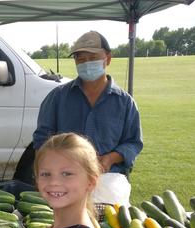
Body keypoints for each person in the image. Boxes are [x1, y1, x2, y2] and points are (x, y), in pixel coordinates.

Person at [33, 31, 143, 176]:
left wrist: (110, 159)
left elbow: (133, 142)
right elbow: (42, 139)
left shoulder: (125, 102)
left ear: (108, 59)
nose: (86, 63)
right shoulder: (57, 98)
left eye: (93, 58)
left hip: (109, 177)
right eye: (81, 59)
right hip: (66, 177)